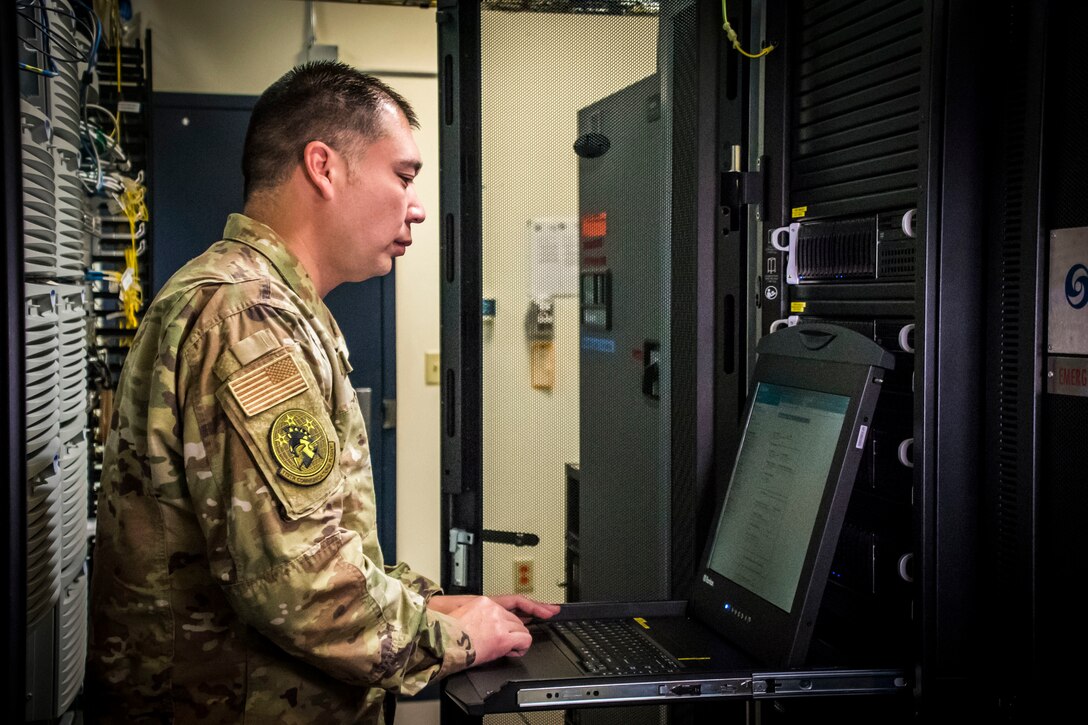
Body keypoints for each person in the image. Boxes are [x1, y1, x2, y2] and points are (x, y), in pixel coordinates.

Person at [86, 61, 559, 723]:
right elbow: (303, 589)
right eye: (403, 176)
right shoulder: (245, 317)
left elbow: (317, 551)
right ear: (323, 165)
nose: (417, 206)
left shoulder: (267, 305)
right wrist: (454, 638)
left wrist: (430, 603)